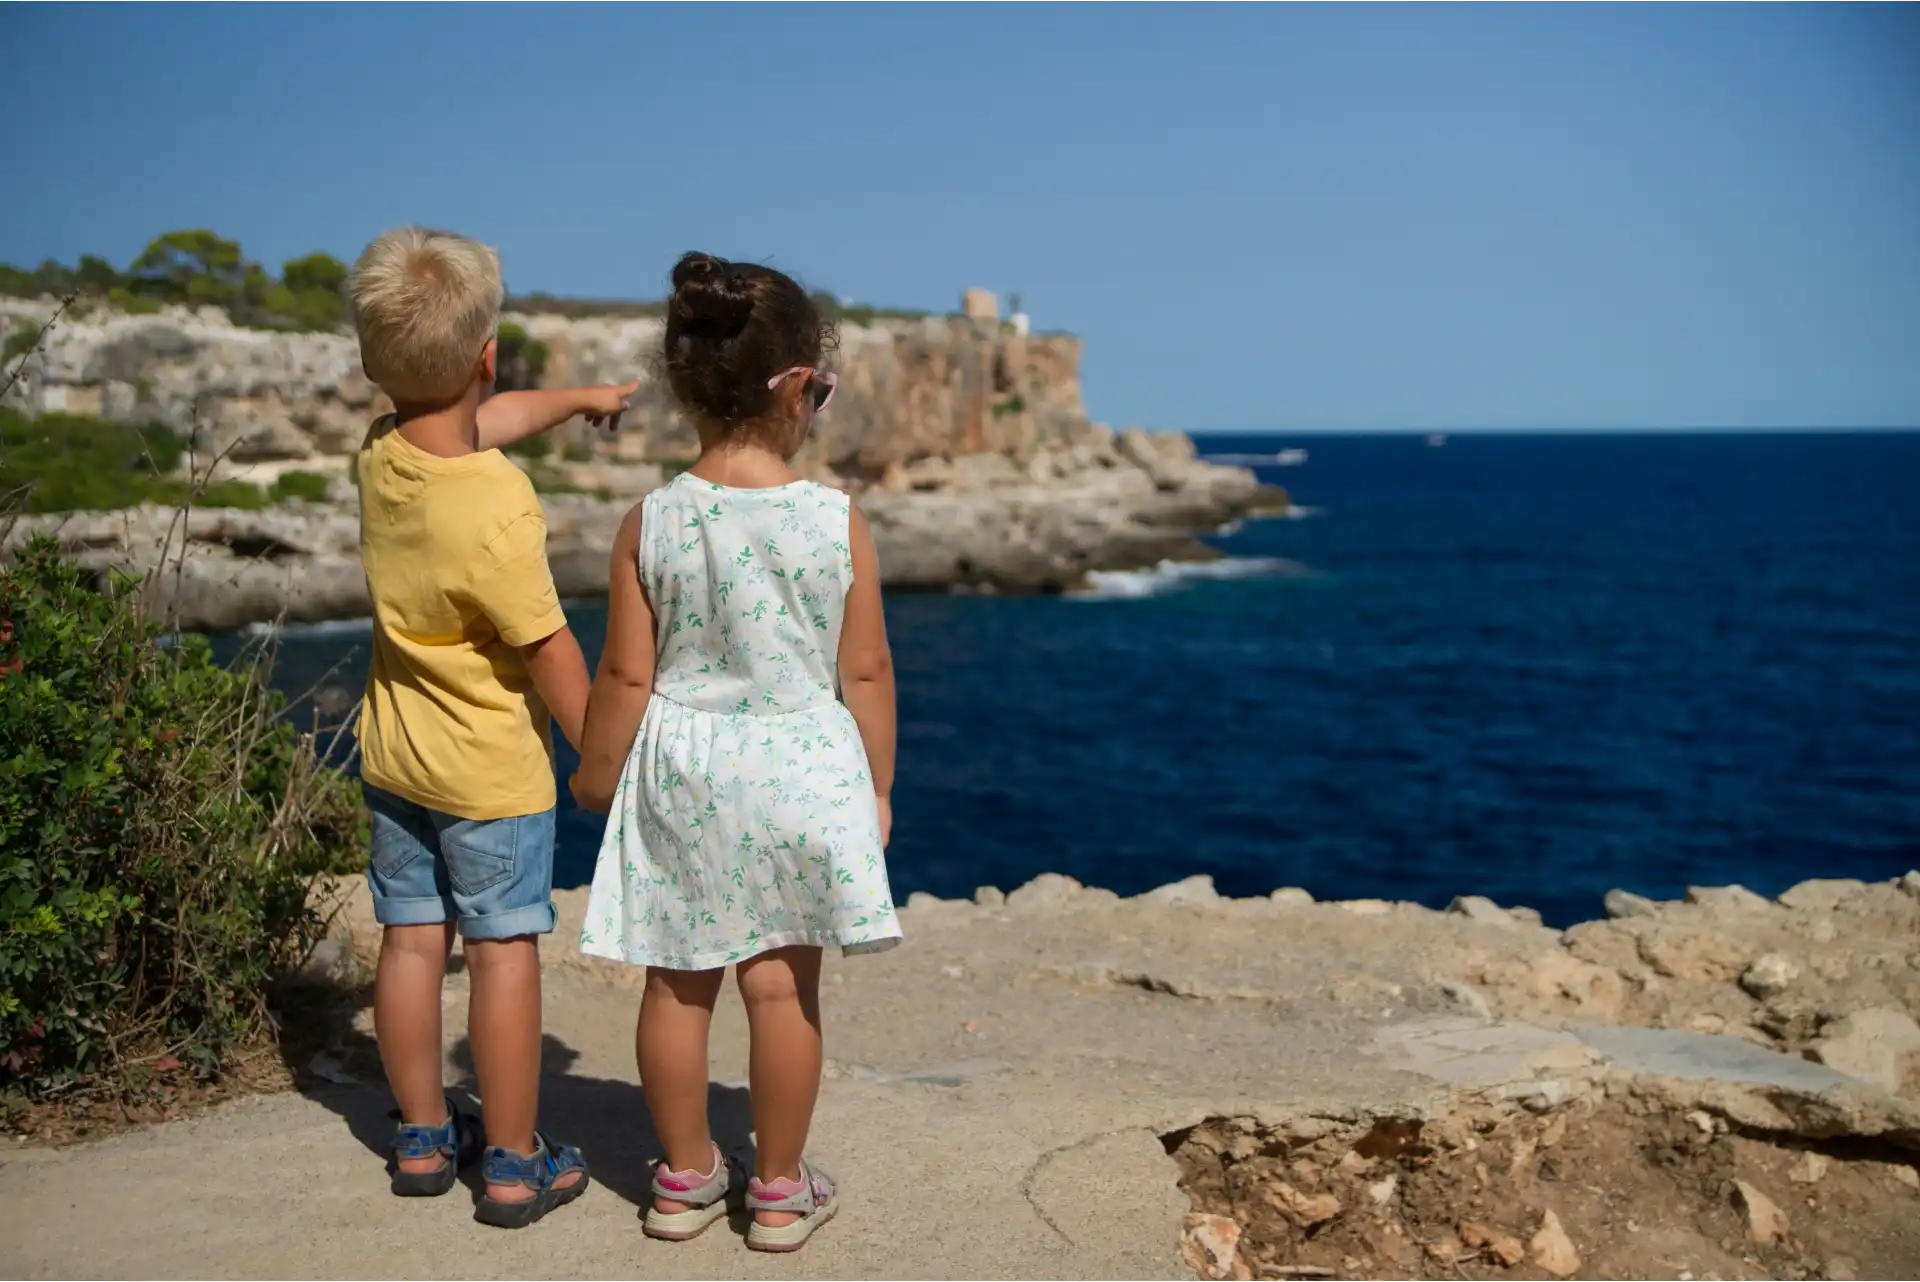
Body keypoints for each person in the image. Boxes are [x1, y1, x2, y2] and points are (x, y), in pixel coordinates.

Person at [569, 251, 901, 1253]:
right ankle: (782, 1190)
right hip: (799, 765)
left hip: (686, 766)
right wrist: (876, 792)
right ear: (801, 386)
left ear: (682, 387)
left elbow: (625, 676)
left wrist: (592, 773)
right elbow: (870, 673)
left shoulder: (652, 520)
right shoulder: (835, 519)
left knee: (676, 982)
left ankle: (684, 1179)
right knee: (780, 987)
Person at [347, 225, 636, 1228]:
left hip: (395, 762)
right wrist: (609, 766)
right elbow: (552, 649)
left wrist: (581, 400)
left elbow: (478, 419)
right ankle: (514, 1160)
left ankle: (424, 1136)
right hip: (491, 779)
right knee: (504, 950)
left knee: (411, 940)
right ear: (485, 353)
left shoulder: (381, 457)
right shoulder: (498, 505)